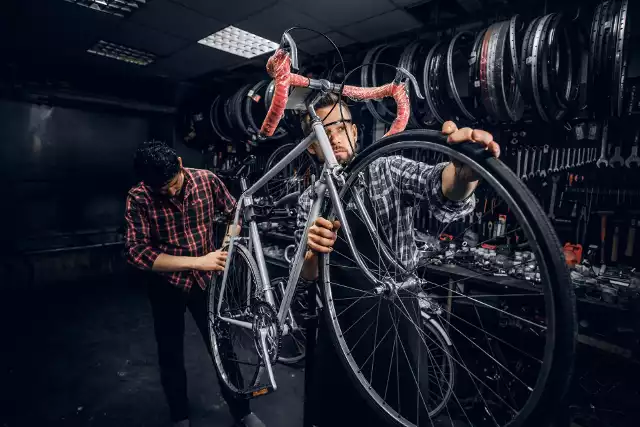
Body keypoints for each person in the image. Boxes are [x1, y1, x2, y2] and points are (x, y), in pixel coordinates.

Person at [294, 93, 501, 425]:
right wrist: (312, 252)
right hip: (339, 323)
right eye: (324, 133)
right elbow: (307, 275)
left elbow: (439, 186)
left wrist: (463, 175)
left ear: (355, 131)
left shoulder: (385, 169)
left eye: (341, 126)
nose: (335, 138)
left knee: (399, 415)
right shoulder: (310, 201)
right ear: (313, 148)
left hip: (397, 319)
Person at [124, 140, 264, 427]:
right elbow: (137, 252)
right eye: (162, 190)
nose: (171, 192)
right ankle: (180, 416)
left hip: (206, 283)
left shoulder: (206, 180)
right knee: (170, 352)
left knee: (222, 347)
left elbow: (233, 214)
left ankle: (242, 412)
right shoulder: (139, 197)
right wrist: (199, 261)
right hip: (167, 284)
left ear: (178, 163)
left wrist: (226, 245)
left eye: (173, 184)